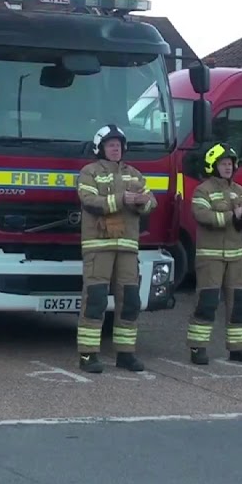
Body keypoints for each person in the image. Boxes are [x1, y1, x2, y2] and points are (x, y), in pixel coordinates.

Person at [75, 124, 156, 374]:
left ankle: (126, 354)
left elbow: (151, 202)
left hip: (128, 248)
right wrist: (123, 199)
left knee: (130, 301)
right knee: (95, 300)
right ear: (100, 148)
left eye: (118, 145)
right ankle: (88, 354)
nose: (115, 149)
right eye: (110, 145)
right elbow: (89, 201)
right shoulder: (89, 172)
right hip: (98, 246)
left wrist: (142, 202)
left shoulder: (134, 174)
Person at [187, 142, 242, 365]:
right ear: (213, 166)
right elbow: (203, 216)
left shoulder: (241, 191)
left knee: (239, 303)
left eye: (230, 163)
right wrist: (232, 215)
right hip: (210, 257)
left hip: (236, 258)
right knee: (207, 302)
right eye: (223, 164)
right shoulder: (203, 190)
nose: (228, 167)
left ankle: (238, 348)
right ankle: (198, 347)